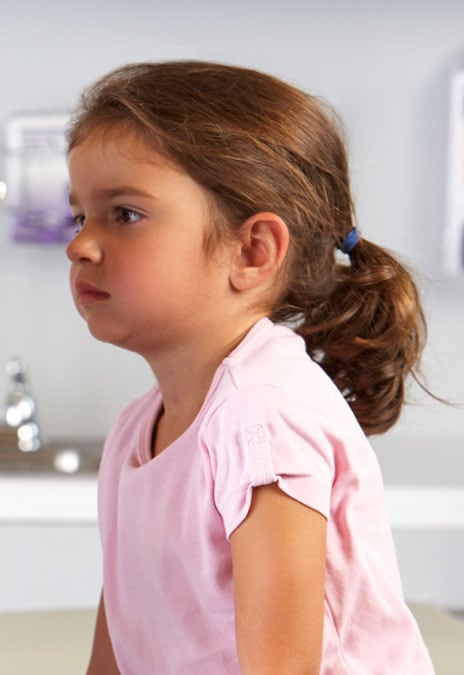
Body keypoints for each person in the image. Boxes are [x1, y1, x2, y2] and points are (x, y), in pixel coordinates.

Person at [66, 61, 435, 674]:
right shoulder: (137, 431)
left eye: (124, 213)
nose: (80, 243)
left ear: (252, 251)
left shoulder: (262, 417)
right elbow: (123, 644)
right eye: (80, 216)